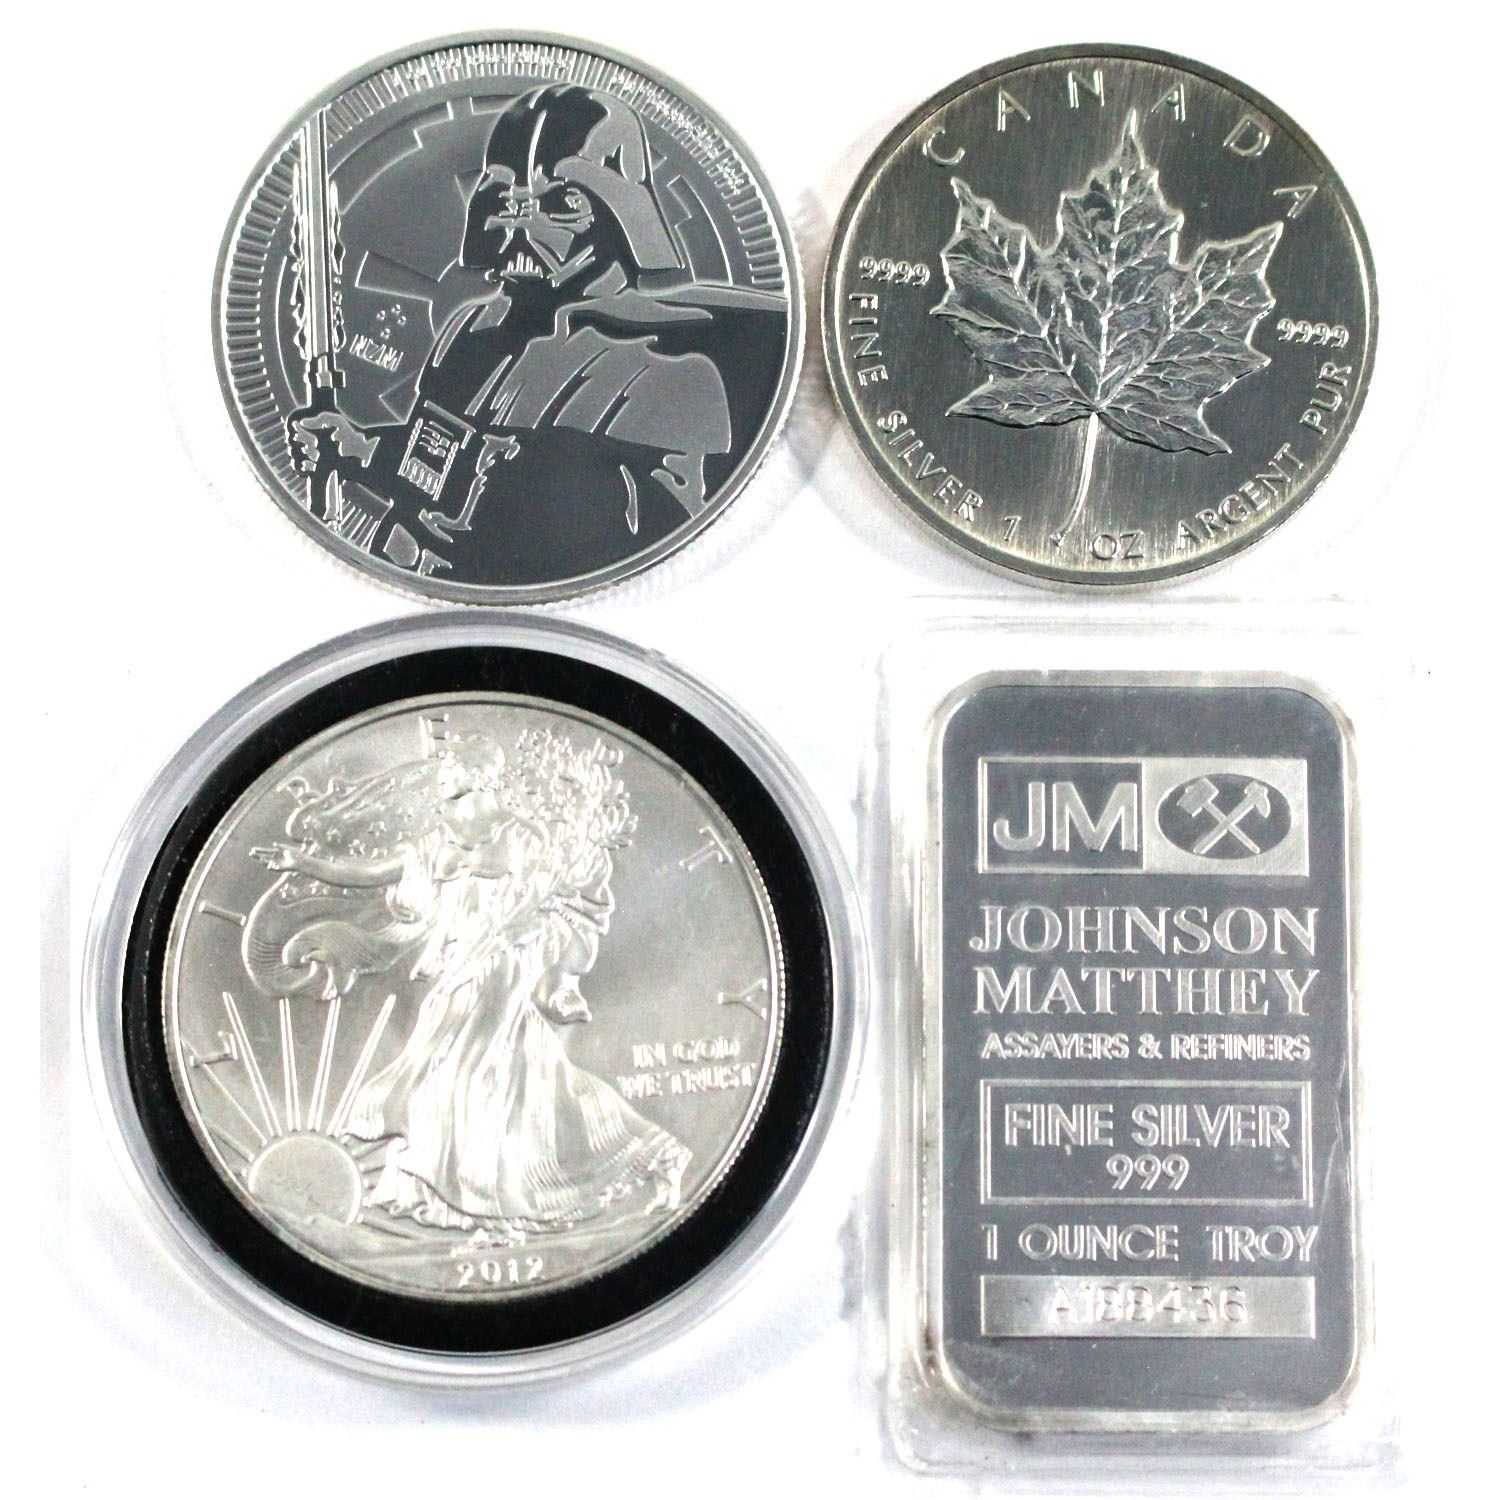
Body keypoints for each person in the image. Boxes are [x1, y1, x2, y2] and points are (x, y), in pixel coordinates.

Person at [241, 725, 690, 1239]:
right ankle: (640, 1159)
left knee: (465, 1070)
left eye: (452, 773)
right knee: (524, 1077)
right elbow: (375, 872)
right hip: (460, 965)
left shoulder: (523, 836)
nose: (443, 781)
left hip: (500, 966)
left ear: (480, 777)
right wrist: (303, 862)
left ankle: (490, 1196)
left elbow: (538, 899)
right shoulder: (437, 842)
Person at [288, 84, 736, 584]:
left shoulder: (670, 369)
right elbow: (431, 453)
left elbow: (636, 538)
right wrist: (357, 447)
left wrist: (375, 457)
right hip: (400, 584)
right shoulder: (474, 327)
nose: (520, 229)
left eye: (562, 203)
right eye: (505, 200)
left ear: (621, 216)